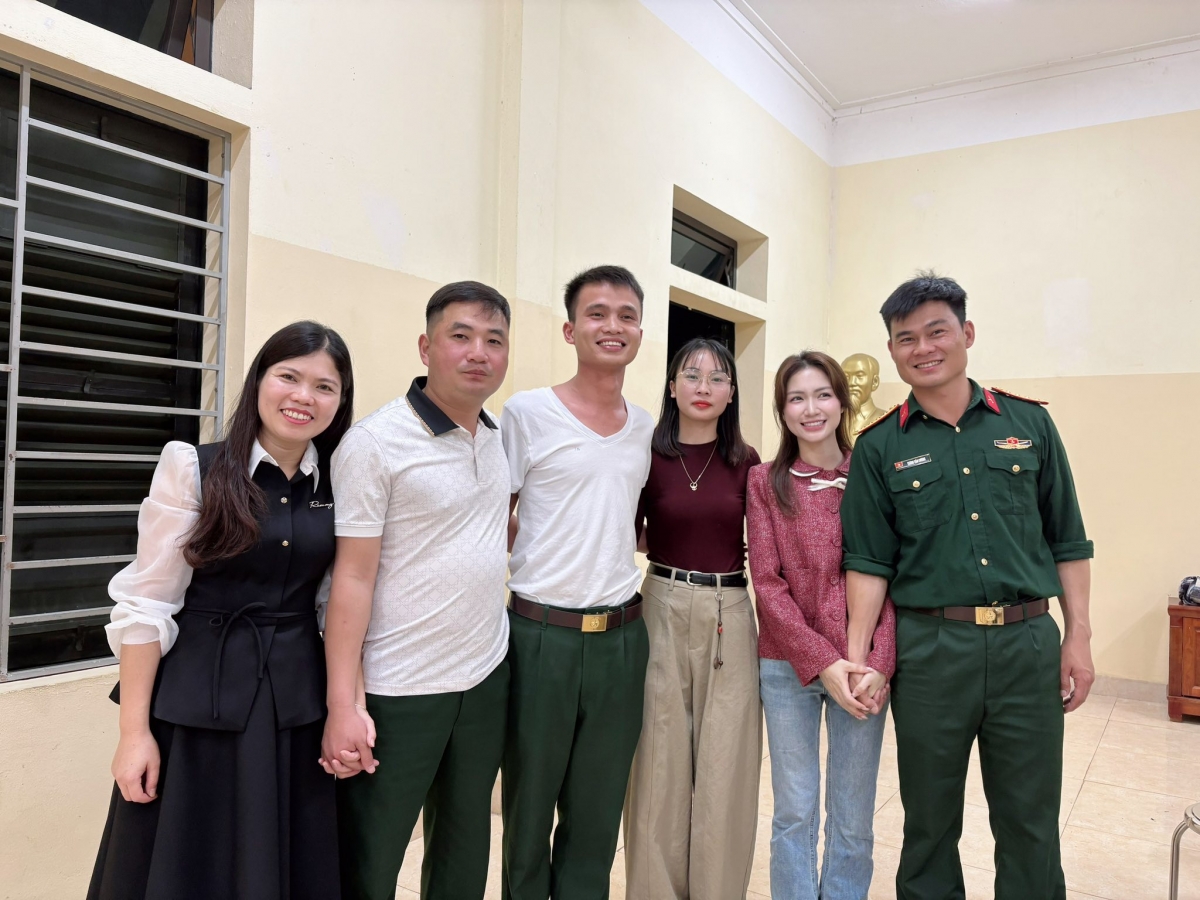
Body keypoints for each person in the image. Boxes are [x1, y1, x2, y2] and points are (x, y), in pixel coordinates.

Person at [841, 272, 1095, 900]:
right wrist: (858, 656)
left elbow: (1067, 539)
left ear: (967, 333)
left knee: (1030, 822)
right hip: (931, 651)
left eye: (937, 331)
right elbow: (869, 562)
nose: (923, 348)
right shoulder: (879, 447)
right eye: (906, 338)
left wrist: (1079, 636)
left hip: (1027, 644)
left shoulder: (1029, 424)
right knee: (928, 824)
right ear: (892, 350)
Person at [89, 321, 356, 900]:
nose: (303, 397)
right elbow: (148, 602)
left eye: (324, 386)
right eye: (288, 377)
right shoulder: (194, 467)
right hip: (196, 706)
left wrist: (348, 706)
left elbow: (337, 605)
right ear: (259, 380)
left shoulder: (342, 482)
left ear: (341, 400)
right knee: (187, 865)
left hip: (294, 706)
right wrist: (134, 733)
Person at [321, 281, 513, 900]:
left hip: (484, 678)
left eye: (494, 340)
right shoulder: (374, 443)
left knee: (464, 851)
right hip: (398, 689)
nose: (478, 352)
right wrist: (343, 704)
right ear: (426, 348)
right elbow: (350, 578)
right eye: (461, 336)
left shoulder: (496, 436)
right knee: (369, 861)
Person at [501, 265, 654, 900]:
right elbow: (496, 512)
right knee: (529, 808)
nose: (612, 326)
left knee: (597, 813)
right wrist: (543, 556)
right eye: (597, 313)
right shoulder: (526, 412)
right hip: (542, 634)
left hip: (622, 636)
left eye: (626, 315)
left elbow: (632, 520)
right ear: (570, 329)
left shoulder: (647, 427)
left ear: (640, 331)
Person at [746, 350, 896, 900]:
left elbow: (893, 575)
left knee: (853, 815)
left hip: (863, 670)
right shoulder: (764, 482)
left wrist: (879, 662)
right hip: (786, 667)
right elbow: (767, 583)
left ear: (841, 401)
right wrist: (821, 660)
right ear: (783, 410)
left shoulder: (873, 474)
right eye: (797, 398)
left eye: (822, 395)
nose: (811, 409)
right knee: (795, 810)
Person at [623, 337, 762, 900]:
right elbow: (625, 530)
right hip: (660, 600)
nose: (704, 387)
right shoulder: (647, 456)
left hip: (730, 607)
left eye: (717, 378)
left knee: (727, 764)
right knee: (658, 762)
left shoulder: (746, 462)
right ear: (672, 386)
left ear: (731, 394)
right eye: (692, 375)